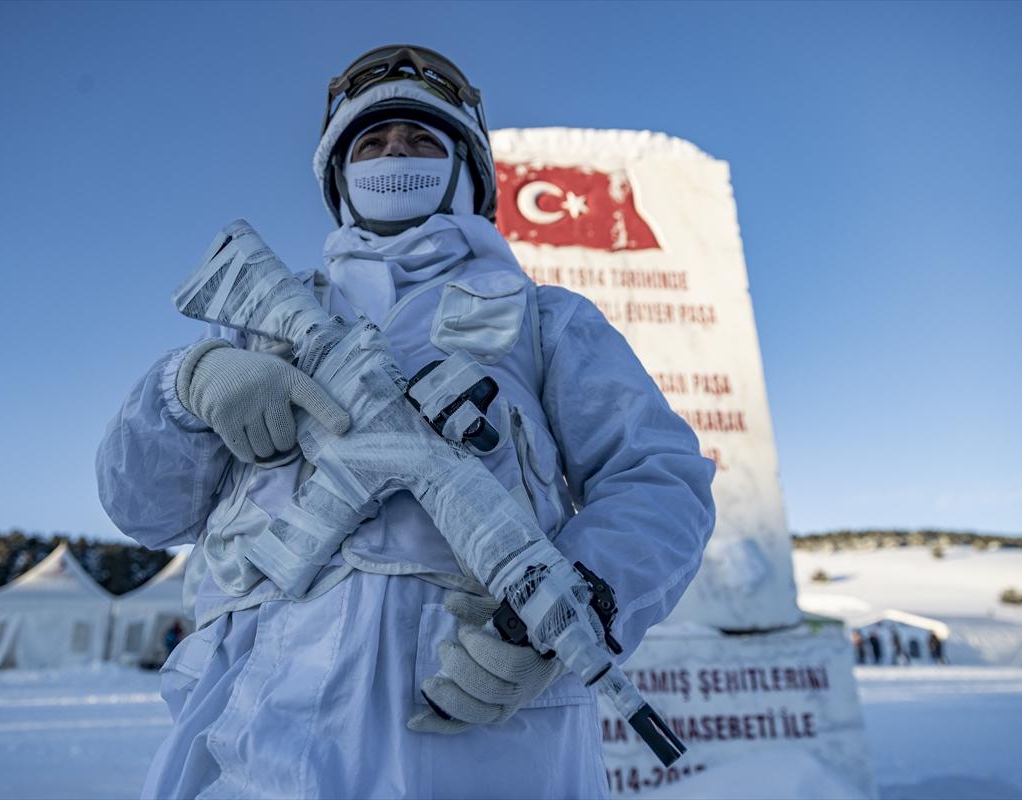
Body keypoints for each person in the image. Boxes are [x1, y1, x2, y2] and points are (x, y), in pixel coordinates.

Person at [96, 44, 715, 799]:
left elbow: (660, 480)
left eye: (423, 140)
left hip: (473, 726)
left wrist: (571, 612)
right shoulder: (259, 323)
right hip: (247, 733)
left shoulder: (544, 320)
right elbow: (142, 508)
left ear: (467, 172)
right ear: (339, 178)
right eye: (373, 143)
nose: (396, 154)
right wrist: (183, 386)